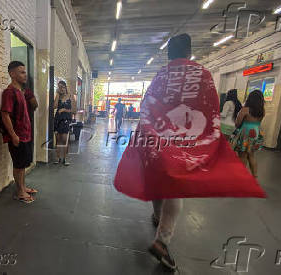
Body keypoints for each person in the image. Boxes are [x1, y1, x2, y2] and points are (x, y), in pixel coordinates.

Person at [113, 34, 265, 271]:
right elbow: (211, 107)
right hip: (186, 140)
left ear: (169, 54)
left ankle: (156, 214)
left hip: (158, 138)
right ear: (190, 52)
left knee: (158, 178)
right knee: (176, 189)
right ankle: (162, 240)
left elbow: (147, 105)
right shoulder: (202, 74)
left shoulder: (162, 75)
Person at [1, 61, 38, 204]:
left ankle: (23, 187)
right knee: (18, 165)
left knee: (22, 164)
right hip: (17, 136)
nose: (25, 75)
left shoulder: (22, 92)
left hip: (25, 134)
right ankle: (20, 192)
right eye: (21, 72)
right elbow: (5, 115)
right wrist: (13, 135)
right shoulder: (9, 92)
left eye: (25, 72)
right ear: (12, 74)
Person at [234, 90, 265, 178]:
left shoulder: (245, 110)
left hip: (245, 134)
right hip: (256, 133)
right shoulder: (262, 111)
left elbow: (237, 123)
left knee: (242, 155)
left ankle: (241, 176)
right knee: (251, 155)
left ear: (250, 99)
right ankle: (254, 176)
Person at [54, 80, 76, 166]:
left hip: (66, 120)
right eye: (59, 87)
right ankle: (58, 158)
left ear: (65, 87)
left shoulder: (70, 97)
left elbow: (74, 110)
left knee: (65, 140)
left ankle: (65, 158)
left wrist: (64, 110)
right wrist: (57, 94)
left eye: (62, 87)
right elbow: (54, 106)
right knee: (58, 140)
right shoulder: (58, 96)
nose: (61, 89)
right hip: (57, 119)